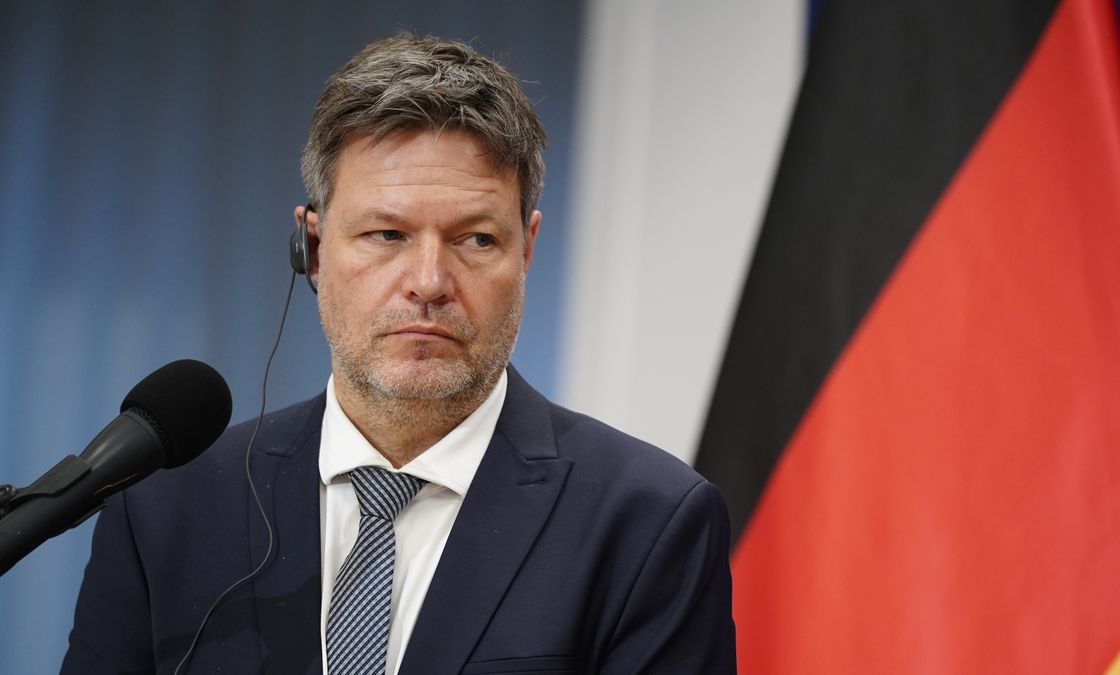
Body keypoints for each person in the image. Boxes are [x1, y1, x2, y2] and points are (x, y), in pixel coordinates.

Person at [62, 34, 735, 674]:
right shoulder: (165, 510)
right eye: (387, 233)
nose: (430, 282)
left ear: (526, 248)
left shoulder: (649, 523)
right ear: (313, 249)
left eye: (475, 240)